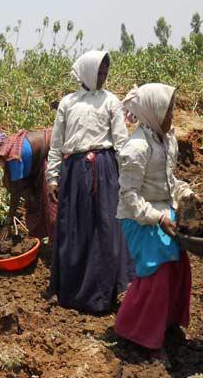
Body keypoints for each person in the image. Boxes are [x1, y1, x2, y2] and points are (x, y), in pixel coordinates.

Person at [45, 50, 133, 313]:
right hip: (74, 172)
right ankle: (67, 289)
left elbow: (121, 141)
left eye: (105, 73)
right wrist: (52, 176)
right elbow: (57, 144)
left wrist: (127, 175)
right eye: (98, 72)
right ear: (86, 72)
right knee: (74, 229)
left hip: (105, 169)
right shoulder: (68, 103)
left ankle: (112, 290)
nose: (103, 77)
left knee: (108, 227)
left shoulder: (110, 101)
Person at [114, 84, 194, 367]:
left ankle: (166, 322)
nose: (172, 114)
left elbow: (170, 181)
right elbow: (130, 197)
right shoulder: (136, 147)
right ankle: (145, 337)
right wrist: (158, 217)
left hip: (164, 210)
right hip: (139, 216)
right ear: (153, 110)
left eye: (172, 107)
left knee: (178, 265)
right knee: (157, 274)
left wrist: (186, 194)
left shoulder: (166, 138)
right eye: (167, 109)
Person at [0, 129, 57, 242]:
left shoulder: (12, 156)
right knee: (10, 182)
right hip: (44, 157)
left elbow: (16, 191)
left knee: (53, 208)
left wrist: (8, 221)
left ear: (0, 144)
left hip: (54, 153)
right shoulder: (9, 147)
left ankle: (58, 242)